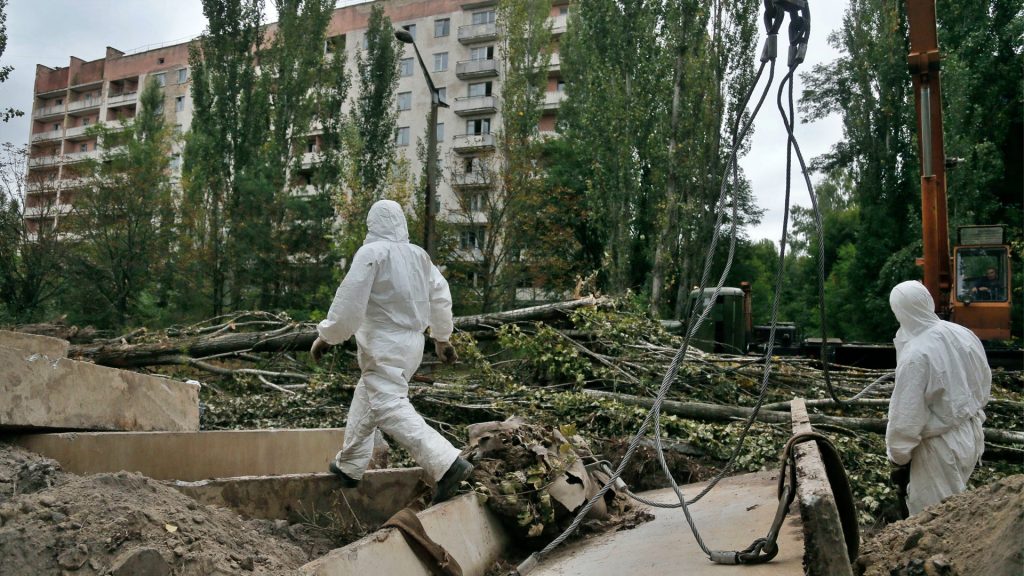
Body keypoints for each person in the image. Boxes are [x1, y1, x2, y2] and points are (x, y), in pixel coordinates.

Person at [310, 199, 474, 505]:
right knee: (368, 396)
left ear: (372, 223)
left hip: (383, 343)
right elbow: (440, 295)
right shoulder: (419, 256)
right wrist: (441, 338)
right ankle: (350, 465)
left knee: (388, 405)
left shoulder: (372, 253)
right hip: (413, 344)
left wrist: (327, 336)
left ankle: (447, 463)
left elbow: (349, 303)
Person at [886, 280, 991, 515]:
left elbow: (906, 416)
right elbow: (984, 380)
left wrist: (898, 456)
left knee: (934, 518)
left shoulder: (916, 355)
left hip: (940, 449)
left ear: (899, 310)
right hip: (971, 434)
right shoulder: (962, 333)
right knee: (954, 511)